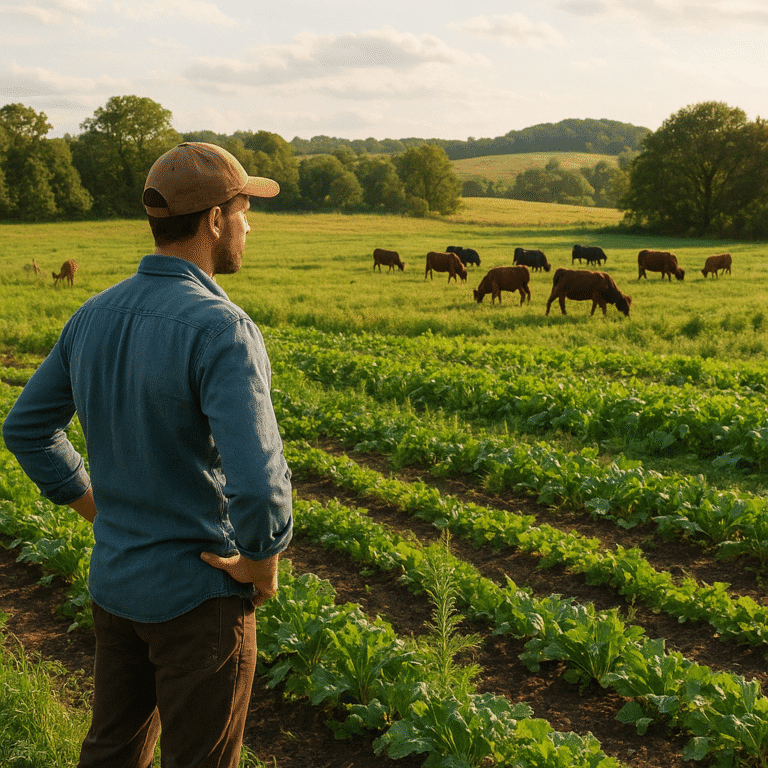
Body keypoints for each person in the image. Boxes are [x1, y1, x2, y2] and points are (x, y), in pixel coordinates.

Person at [2, 142, 293, 768]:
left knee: (110, 752)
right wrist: (263, 559)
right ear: (214, 220)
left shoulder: (93, 315)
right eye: (244, 209)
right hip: (199, 598)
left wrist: (99, 511)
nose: (249, 225)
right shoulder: (222, 328)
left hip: (116, 586)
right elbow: (260, 485)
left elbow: (27, 429)